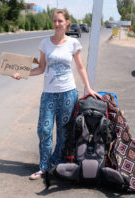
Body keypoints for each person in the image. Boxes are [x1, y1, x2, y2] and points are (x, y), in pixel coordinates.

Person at [13, 9, 101, 180]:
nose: (57, 24)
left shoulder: (73, 43)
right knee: (44, 130)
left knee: (64, 132)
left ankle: (57, 162)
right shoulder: (45, 43)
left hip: (68, 93)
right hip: (49, 94)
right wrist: (22, 74)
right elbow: (40, 68)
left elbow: (81, 67)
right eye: (54, 20)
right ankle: (44, 167)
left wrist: (88, 88)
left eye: (60, 20)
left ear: (67, 22)